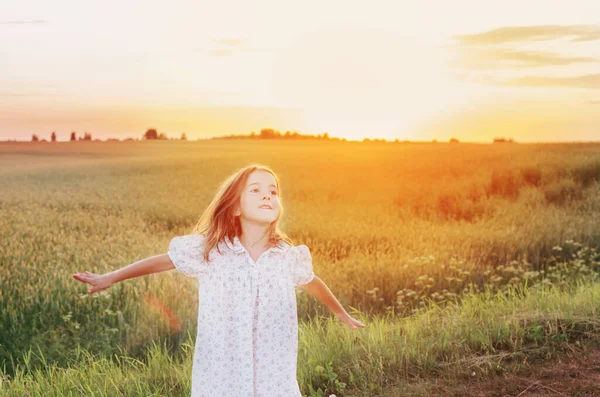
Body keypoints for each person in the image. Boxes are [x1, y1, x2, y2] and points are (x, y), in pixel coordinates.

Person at [73, 163, 366, 397]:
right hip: (223, 372)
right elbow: (163, 261)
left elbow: (312, 281)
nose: (268, 195)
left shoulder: (287, 256)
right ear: (235, 207)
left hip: (273, 371)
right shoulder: (210, 250)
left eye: (273, 192)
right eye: (256, 190)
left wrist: (340, 312)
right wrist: (110, 277)